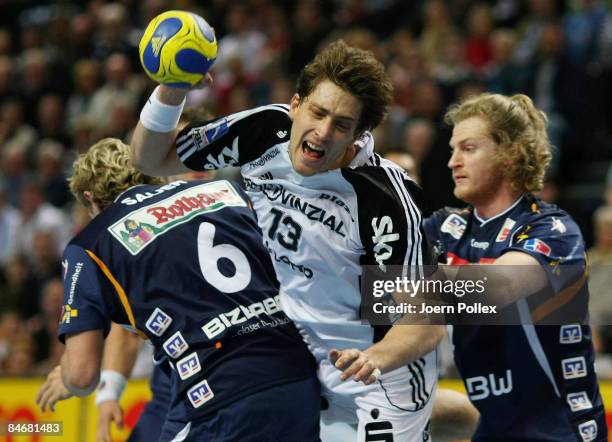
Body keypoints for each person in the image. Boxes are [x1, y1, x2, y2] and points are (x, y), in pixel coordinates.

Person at [131, 39, 445, 441]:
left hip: (378, 379)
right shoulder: (265, 130)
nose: (323, 132)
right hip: (295, 364)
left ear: (359, 135)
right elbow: (150, 158)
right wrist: (171, 89)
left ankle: (449, 417)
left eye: (342, 125)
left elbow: (428, 322)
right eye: (317, 112)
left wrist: (373, 358)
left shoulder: (383, 202)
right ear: (296, 104)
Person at [35, 138, 320, 442]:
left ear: (91, 199)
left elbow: (82, 374)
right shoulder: (226, 190)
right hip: (300, 377)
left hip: (221, 396)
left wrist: (67, 377)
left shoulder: (90, 243)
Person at [423, 93, 607, 441]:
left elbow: (497, 288)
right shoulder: (445, 229)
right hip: (495, 427)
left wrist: (394, 287)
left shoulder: (554, 229)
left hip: (559, 433)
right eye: (452, 149)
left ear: (509, 155)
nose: (452, 162)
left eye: (468, 148)